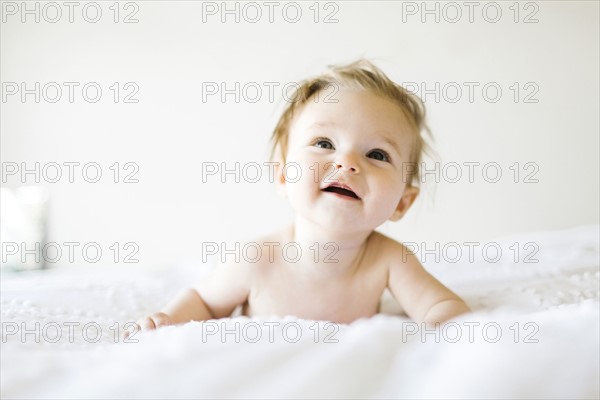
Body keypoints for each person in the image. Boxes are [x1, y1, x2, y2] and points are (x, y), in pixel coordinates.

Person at [133, 59, 470, 334]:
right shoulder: (256, 259)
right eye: (324, 143)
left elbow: (442, 307)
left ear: (401, 202)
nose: (347, 163)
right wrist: (168, 319)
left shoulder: (390, 261)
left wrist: (445, 331)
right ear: (283, 175)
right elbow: (203, 302)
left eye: (378, 154)